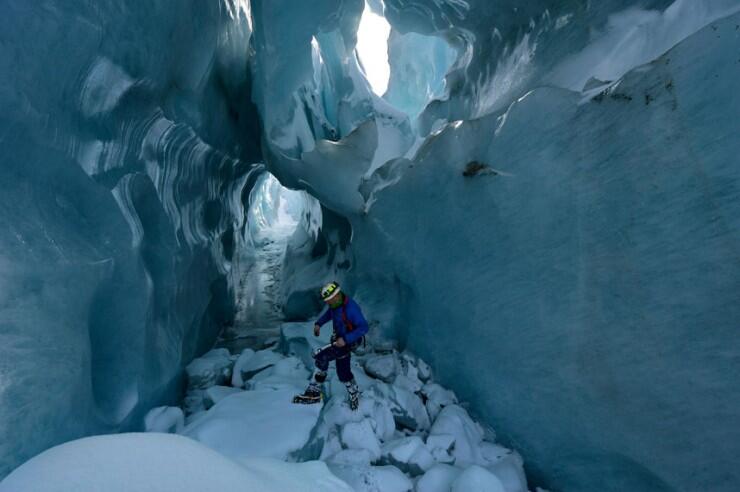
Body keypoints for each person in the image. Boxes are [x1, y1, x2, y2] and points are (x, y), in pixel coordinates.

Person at [293, 281, 369, 410]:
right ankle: (354, 392)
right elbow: (330, 313)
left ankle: (313, 393)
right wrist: (319, 324)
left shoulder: (351, 308)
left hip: (348, 341)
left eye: (330, 301)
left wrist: (346, 339)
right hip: (340, 340)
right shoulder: (336, 304)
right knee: (343, 372)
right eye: (327, 302)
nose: (329, 304)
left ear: (337, 295)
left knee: (321, 356)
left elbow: (364, 327)